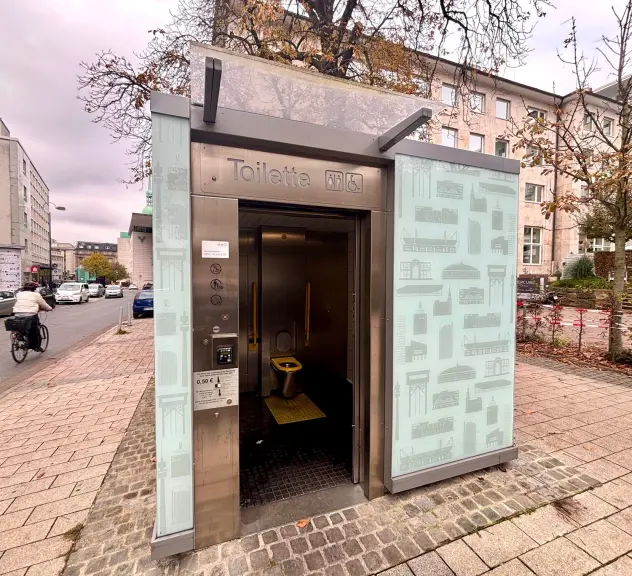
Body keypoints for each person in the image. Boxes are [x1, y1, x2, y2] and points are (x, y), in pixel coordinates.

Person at [12, 282, 52, 351]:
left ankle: (19, 335)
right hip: (30, 314)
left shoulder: (18, 294)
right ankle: (36, 346)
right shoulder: (36, 295)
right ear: (34, 288)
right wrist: (50, 308)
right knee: (35, 330)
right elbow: (43, 304)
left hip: (17, 313)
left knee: (20, 327)